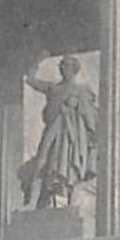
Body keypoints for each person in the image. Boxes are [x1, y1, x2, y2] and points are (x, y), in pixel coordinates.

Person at [18, 54, 98, 208]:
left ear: (74, 69)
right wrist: (35, 62)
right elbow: (31, 80)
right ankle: (32, 195)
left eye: (66, 65)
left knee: (63, 167)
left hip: (70, 136)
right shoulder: (54, 88)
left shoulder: (81, 90)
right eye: (61, 65)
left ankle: (59, 200)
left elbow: (90, 116)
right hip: (53, 129)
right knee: (42, 159)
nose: (62, 68)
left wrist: (92, 134)